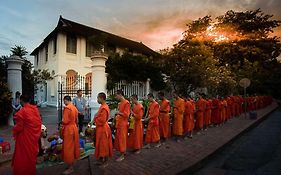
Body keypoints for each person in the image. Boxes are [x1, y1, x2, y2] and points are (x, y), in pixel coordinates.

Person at [12, 95, 42, 175]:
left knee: (22, 155)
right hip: (33, 137)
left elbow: (19, 127)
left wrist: (14, 129)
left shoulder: (22, 112)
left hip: (24, 137)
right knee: (30, 155)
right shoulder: (35, 109)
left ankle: (22, 171)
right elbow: (39, 123)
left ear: (21, 101)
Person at [61, 96, 80, 175]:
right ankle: (70, 165)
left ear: (66, 100)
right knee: (72, 147)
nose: (64, 103)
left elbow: (64, 121)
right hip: (74, 128)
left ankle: (70, 167)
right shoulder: (74, 108)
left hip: (69, 129)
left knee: (68, 147)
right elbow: (76, 120)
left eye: (64, 101)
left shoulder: (67, 108)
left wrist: (62, 122)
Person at [93, 92, 113, 167]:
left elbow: (102, 120)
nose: (97, 100)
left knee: (104, 145)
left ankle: (106, 162)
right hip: (100, 129)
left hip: (103, 129)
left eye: (98, 98)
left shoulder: (104, 107)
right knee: (100, 144)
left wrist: (95, 119)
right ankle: (101, 159)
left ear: (101, 98)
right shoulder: (102, 106)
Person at [114, 90, 130, 162]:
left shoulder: (126, 103)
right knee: (120, 138)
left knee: (122, 139)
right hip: (119, 123)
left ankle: (122, 155)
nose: (116, 97)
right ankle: (122, 152)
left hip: (123, 124)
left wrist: (118, 113)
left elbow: (127, 115)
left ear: (120, 95)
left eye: (116, 95)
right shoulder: (120, 103)